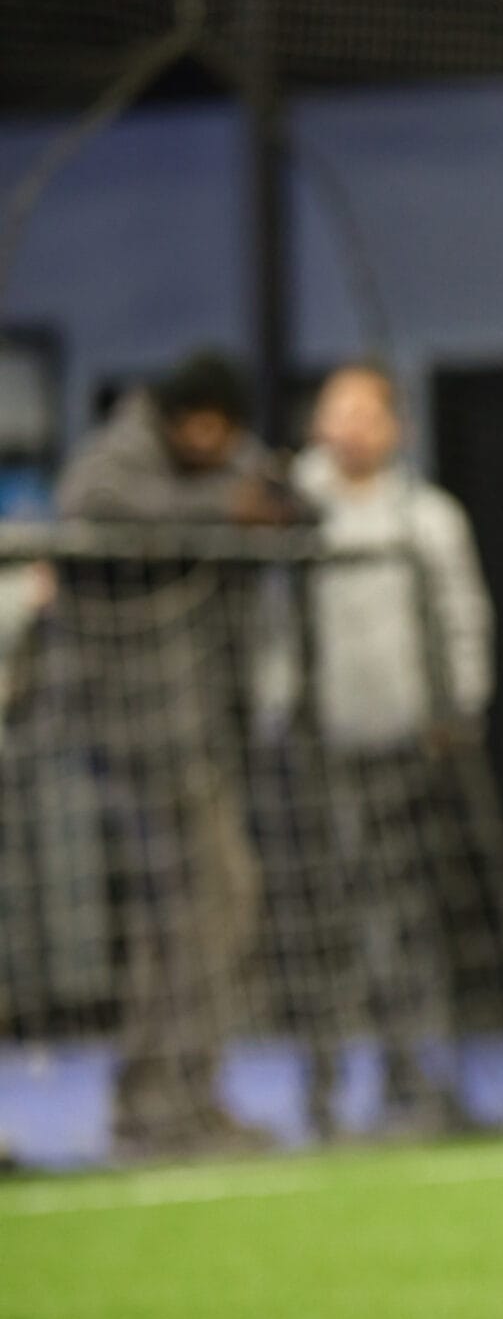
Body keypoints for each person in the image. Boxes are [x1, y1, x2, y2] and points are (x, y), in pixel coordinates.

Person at [55, 352, 299, 1157]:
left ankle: (165, 1099)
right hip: (138, 733)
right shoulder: (118, 457)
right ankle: (171, 1105)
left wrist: (263, 495)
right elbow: (91, 503)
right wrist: (225, 506)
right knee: (209, 905)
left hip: (198, 730)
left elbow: (291, 505)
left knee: (196, 915)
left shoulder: (223, 454)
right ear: (175, 414)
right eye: (206, 425)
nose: (218, 440)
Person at [292, 361, 494, 1133]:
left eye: (363, 412)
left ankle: (412, 1074)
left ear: (395, 426)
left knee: (409, 917)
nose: (347, 426)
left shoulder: (429, 517)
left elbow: (463, 617)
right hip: (319, 749)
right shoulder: (290, 508)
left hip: (411, 745)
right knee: (321, 924)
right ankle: (322, 1088)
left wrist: (462, 707)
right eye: (333, 410)